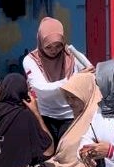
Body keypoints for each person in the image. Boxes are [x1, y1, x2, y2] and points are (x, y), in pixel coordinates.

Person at [22, 17, 94, 146]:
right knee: (48, 153)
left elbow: (91, 72)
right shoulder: (31, 60)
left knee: (67, 153)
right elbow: (41, 88)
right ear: (40, 42)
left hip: (71, 114)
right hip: (46, 114)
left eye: (58, 45)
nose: (54, 50)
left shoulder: (72, 55)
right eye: (48, 46)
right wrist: (75, 80)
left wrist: (89, 73)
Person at [34, 72, 103, 167]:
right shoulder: (81, 118)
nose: (70, 102)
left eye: (74, 98)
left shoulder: (94, 120)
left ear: (86, 95)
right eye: (67, 98)